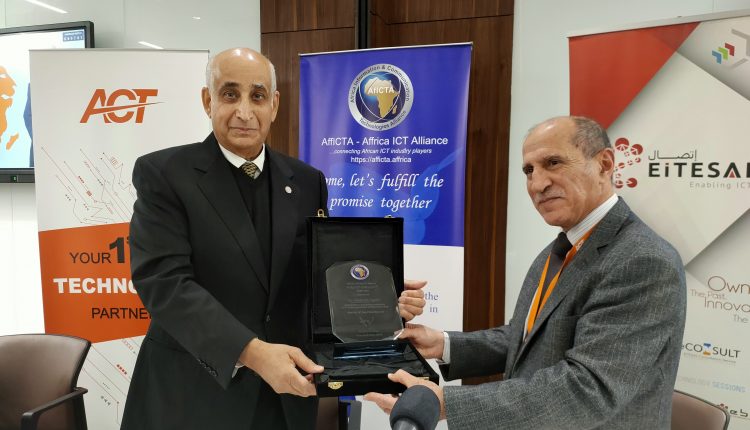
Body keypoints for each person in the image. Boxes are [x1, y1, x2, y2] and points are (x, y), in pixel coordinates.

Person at [121, 48, 426, 430]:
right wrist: (251, 353)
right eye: (230, 94)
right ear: (207, 100)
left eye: (257, 96)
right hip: (193, 396)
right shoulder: (164, 174)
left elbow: (315, 282)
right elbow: (164, 283)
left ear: (274, 105)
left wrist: (380, 299)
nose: (244, 111)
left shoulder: (307, 181)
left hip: (285, 402)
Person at [365, 116, 686, 429]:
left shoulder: (642, 260)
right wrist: (444, 344)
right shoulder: (560, 248)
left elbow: (588, 389)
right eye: (529, 170)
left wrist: (444, 403)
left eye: (554, 163)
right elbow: (526, 340)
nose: (537, 184)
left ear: (604, 164)